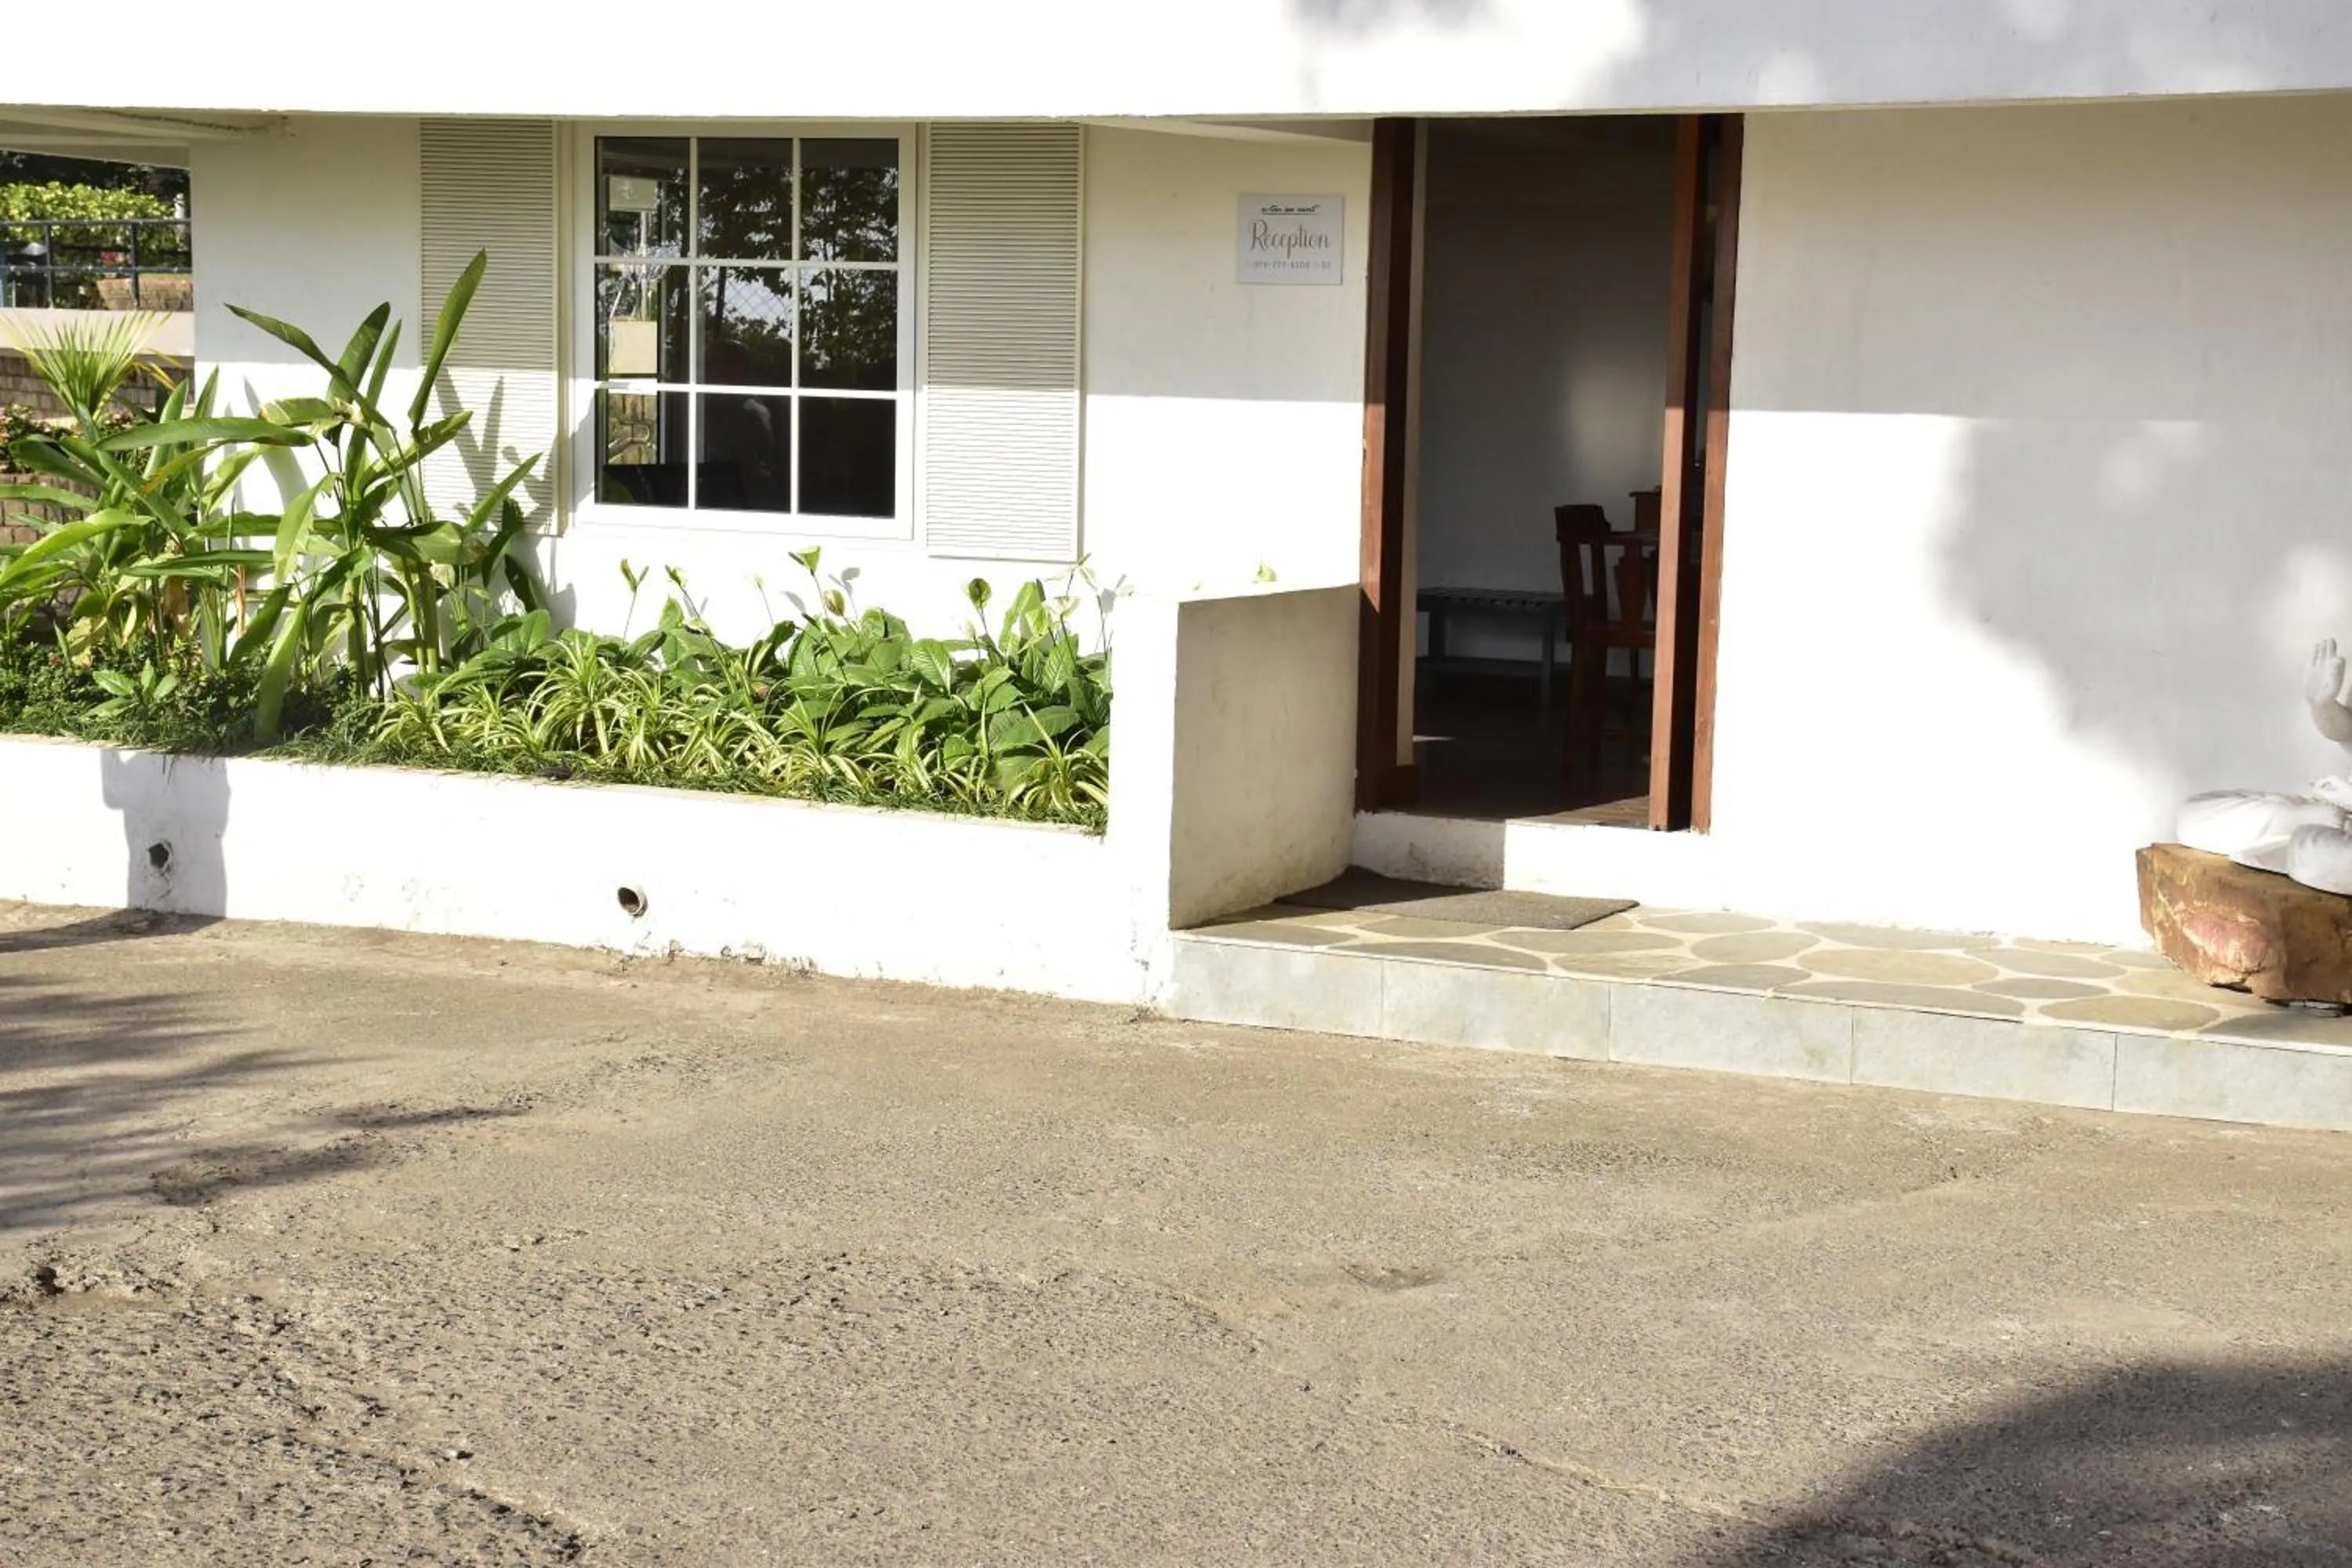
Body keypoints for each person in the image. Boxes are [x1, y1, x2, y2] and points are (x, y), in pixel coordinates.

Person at [2178, 639, 2352, 894]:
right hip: (2338, 813)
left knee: (2325, 859)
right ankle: (2307, 828)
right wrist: (2323, 705)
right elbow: (2347, 731)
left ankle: (2306, 840)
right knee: (2195, 815)